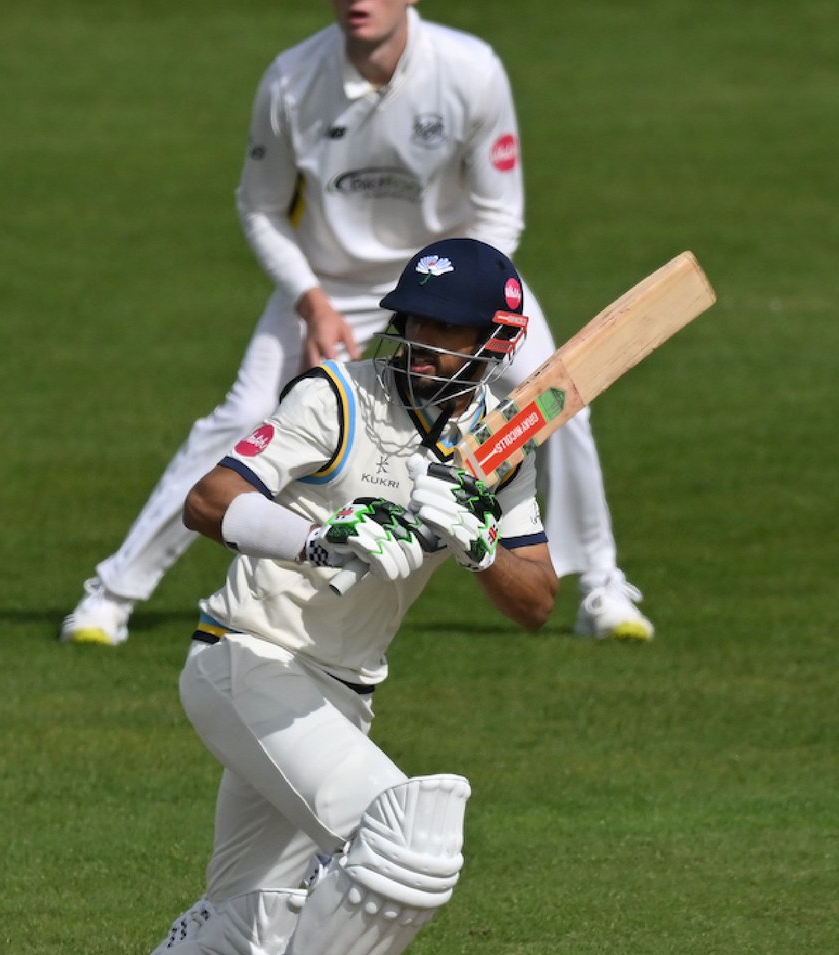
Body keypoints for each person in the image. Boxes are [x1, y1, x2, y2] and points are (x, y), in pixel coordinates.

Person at [49, 237, 557, 955]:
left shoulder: (498, 446)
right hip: (248, 659)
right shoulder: (336, 396)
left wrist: (477, 544)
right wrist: (321, 540)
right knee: (410, 833)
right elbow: (208, 500)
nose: (421, 340)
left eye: (447, 328)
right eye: (417, 321)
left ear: (492, 343)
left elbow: (537, 599)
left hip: (340, 696)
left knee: (255, 916)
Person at [60, 0, 652, 647]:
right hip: (329, 281)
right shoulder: (292, 78)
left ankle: (600, 584)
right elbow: (259, 207)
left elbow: (498, 212)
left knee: (558, 400)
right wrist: (310, 301)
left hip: (458, 287)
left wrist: (464, 303)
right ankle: (112, 595)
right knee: (241, 415)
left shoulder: (471, 70)